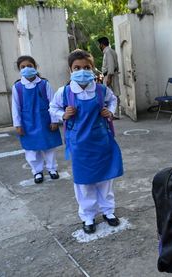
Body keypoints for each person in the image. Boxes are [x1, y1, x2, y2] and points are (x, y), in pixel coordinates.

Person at [49, 49, 123, 234]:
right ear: (70, 70)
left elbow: (113, 101)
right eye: (77, 67)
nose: (82, 70)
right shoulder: (64, 92)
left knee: (105, 180)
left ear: (92, 69)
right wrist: (62, 114)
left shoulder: (101, 90)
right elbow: (52, 108)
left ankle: (108, 211)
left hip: (101, 141)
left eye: (86, 67)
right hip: (80, 145)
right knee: (84, 183)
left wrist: (110, 112)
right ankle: (88, 216)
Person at [11, 55, 62, 184]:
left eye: (29, 66)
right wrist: (17, 124)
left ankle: (52, 169)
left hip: (44, 120)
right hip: (28, 122)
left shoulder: (44, 84)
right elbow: (15, 107)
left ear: (35, 67)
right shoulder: (17, 87)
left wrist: (54, 120)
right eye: (23, 67)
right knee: (31, 149)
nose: (26, 68)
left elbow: (53, 102)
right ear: (19, 69)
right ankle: (37, 171)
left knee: (48, 147)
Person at [97, 36, 121, 119]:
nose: (99, 46)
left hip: (110, 76)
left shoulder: (108, 52)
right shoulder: (110, 51)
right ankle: (114, 113)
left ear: (102, 44)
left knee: (112, 95)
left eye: (99, 44)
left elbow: (111, 65)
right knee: (113, 94)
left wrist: (109, 77)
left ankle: (114, 114)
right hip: (110, 75)